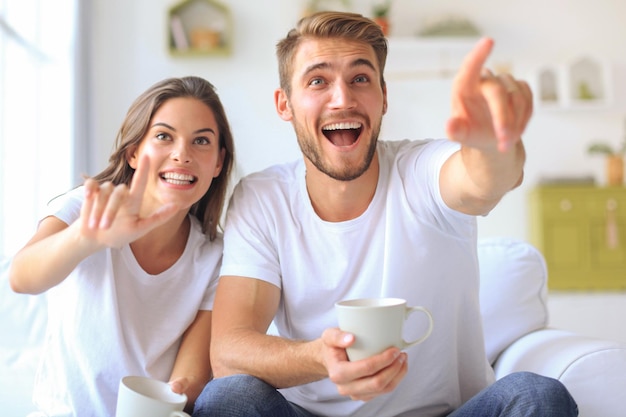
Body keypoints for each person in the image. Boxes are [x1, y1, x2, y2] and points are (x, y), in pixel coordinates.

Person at [193, 11, 578, 417]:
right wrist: (319, 358)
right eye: (318, 81)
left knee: (536, 395)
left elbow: (483, 180)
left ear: (384, 96)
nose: (342, 98)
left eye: (360, 79)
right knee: (228, 398)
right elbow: (229, 352)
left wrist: (495, 142)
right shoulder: (262, 198)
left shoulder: (423, 170)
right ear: (284, 103)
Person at [8, 76, 235, 417]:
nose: (182, 154)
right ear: (133, 153)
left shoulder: (215, 258)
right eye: (163, 136)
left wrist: (174, 396)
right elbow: (21, 278)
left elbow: (188, 378)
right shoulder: (85, 208)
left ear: (218, 162)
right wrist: (88, 238)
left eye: (201, 141)